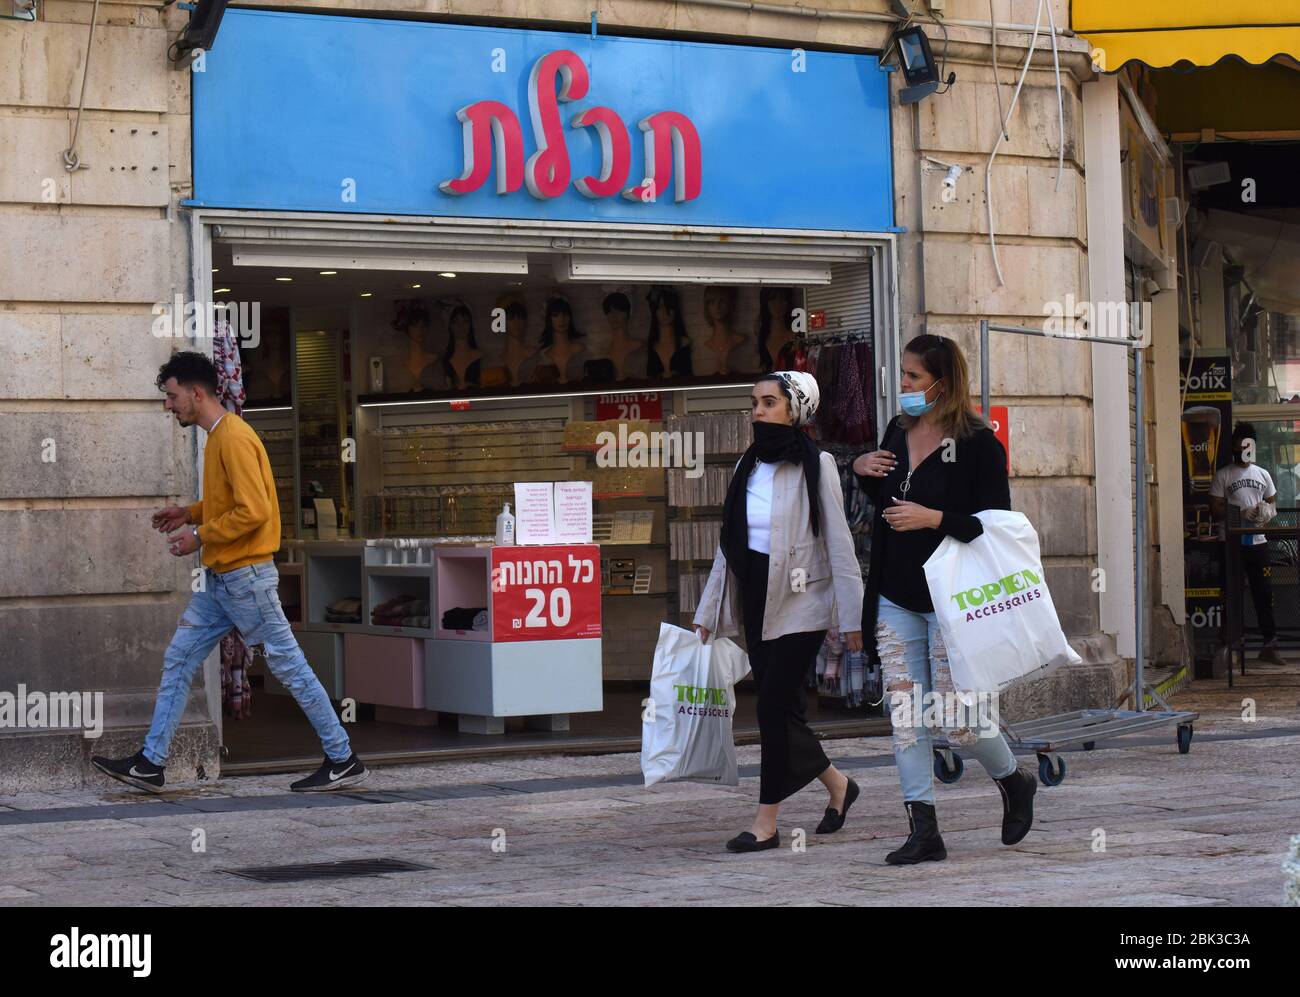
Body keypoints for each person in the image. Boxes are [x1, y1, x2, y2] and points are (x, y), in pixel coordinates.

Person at [92, 352, 368, 794]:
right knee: (180, 658)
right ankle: (150, 763)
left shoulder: (233, 438)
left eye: (172, 395)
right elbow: (233, 504)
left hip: (245, 579)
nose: (169, 405)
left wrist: (199, 536)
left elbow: (254, 511)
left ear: (196, 393)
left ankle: (342, 758)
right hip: (224, 581)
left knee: (291, 668)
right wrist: (190, 512)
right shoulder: (220, 435)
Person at [852, 333, 1036, 864]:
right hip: (894, 593)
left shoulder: (978, 442)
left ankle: (1013, 778)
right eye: (903, 375)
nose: (903, 385)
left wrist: (933, 519)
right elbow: (887, 499)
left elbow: (995, 527)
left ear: (943, 381)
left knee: (957, 718)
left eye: (912, 376)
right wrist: (863, 470)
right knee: (908, 713)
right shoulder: (897, 429)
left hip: (953, 600)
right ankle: (923, 829)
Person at [694, 371, 864, 852]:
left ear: (796, 409)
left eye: (769, 402)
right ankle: (838, 786)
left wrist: (852, 618)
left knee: (770, 707)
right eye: (755, 403)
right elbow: (729, 545)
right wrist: (709, 608)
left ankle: (765, 822)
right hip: (755, 598)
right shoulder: (745, 466)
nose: (758, 412)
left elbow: (838, 541)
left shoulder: (818, 464)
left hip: (801, 602)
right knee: (785, 710)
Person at [1210, 422, 1285, 666]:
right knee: (1231, 594)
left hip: (1258, 542)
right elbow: (1215, 509)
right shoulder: (1224, 475)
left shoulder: (1263, 474)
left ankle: (1269, 645)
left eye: (1248, 445)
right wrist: (1242, 512)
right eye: (1240, 444)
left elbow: (1273, 503)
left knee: (1263, 593)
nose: (1244, 449)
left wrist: (1265, 512)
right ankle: (1231, 646)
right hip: (1231, 543)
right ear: (1234, 446)